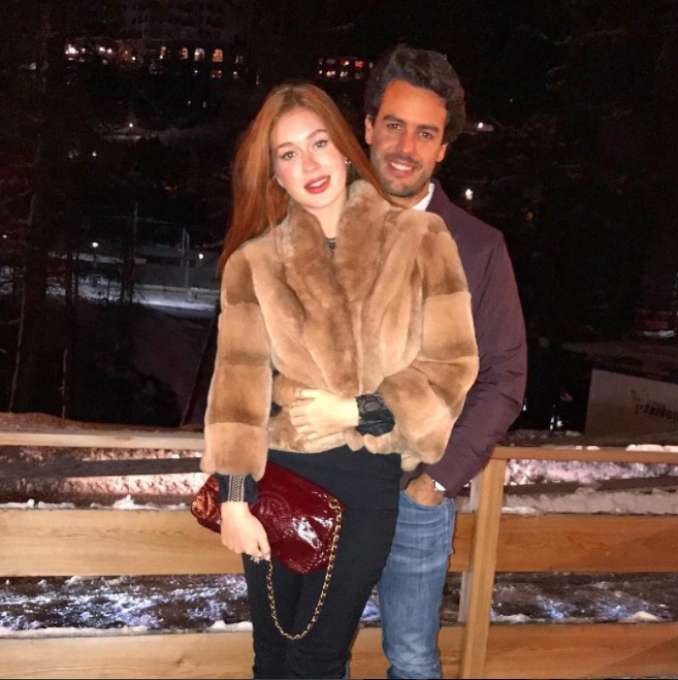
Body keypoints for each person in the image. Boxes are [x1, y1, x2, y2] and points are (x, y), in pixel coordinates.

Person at [201, 81, 479, 679]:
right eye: (289, 153)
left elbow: (452, 364)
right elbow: (238, 387)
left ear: (347, 149)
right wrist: (234, 498)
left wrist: (359, 410)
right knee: (272, 656)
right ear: (275, 175)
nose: (309, 164)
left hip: (364, 482)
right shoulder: (254, 263)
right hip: (277, 477)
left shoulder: (420, 239)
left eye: (319, 143)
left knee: (318, 658)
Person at [361, 45, 527, 679]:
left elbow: (505, 377)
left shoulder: (478, 248)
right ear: (369, 127)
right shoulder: (322, 223)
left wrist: (438, 480)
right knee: (313, 655)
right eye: (394, 125)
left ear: (442, 149)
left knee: (411, 658)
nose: (406, 146)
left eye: (425, 133)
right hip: (325, 483)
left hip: (416, 492)